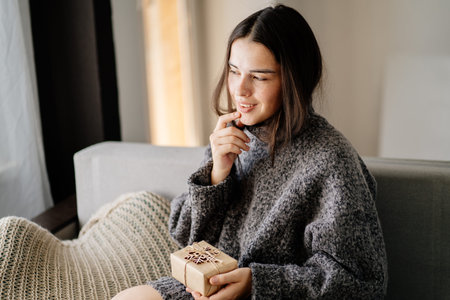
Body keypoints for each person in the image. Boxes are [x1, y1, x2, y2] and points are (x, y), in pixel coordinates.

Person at [112, 4, 387, 300]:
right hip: (201, 290)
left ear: (293, 81)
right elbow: (185, 237)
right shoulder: (234, 135)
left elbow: (359, 282)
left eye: (259, 77)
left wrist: (256, 284)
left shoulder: (331, 160)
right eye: (234, 71)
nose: (240, 90)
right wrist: (217, 174)